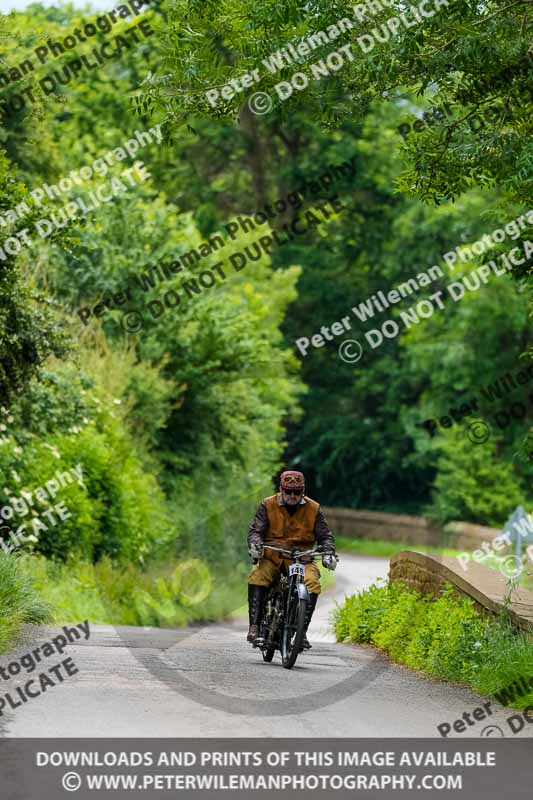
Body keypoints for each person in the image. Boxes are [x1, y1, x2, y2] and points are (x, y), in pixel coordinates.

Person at [246, 469, 337, 648]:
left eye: (297, 492)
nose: (292, 495)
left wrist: (328, 552)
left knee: (312, 582)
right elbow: (256, 530)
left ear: (303, 491)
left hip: (301, 558)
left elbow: (325, 536)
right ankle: (254, 626)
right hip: (272, 557)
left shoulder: (314, 508)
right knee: (258, 576)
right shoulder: (268, 504)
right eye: (288, 491)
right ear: (281, 489)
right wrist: (256, 545)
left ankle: (301, 633)